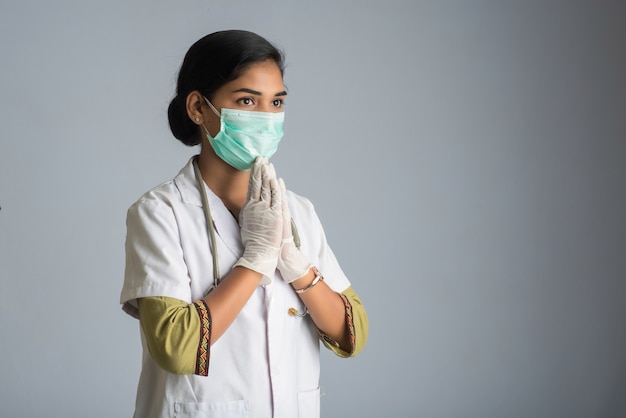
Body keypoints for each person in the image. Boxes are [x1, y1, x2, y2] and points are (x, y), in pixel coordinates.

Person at [120, 30, 368, 418]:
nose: (266, 118)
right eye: (246, 100)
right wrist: (257, 259)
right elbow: (177, 348)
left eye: (277, 102)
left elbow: (351, 333)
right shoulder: (160, 212)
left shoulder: (298, 212)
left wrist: (296, 265)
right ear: (199, 108)